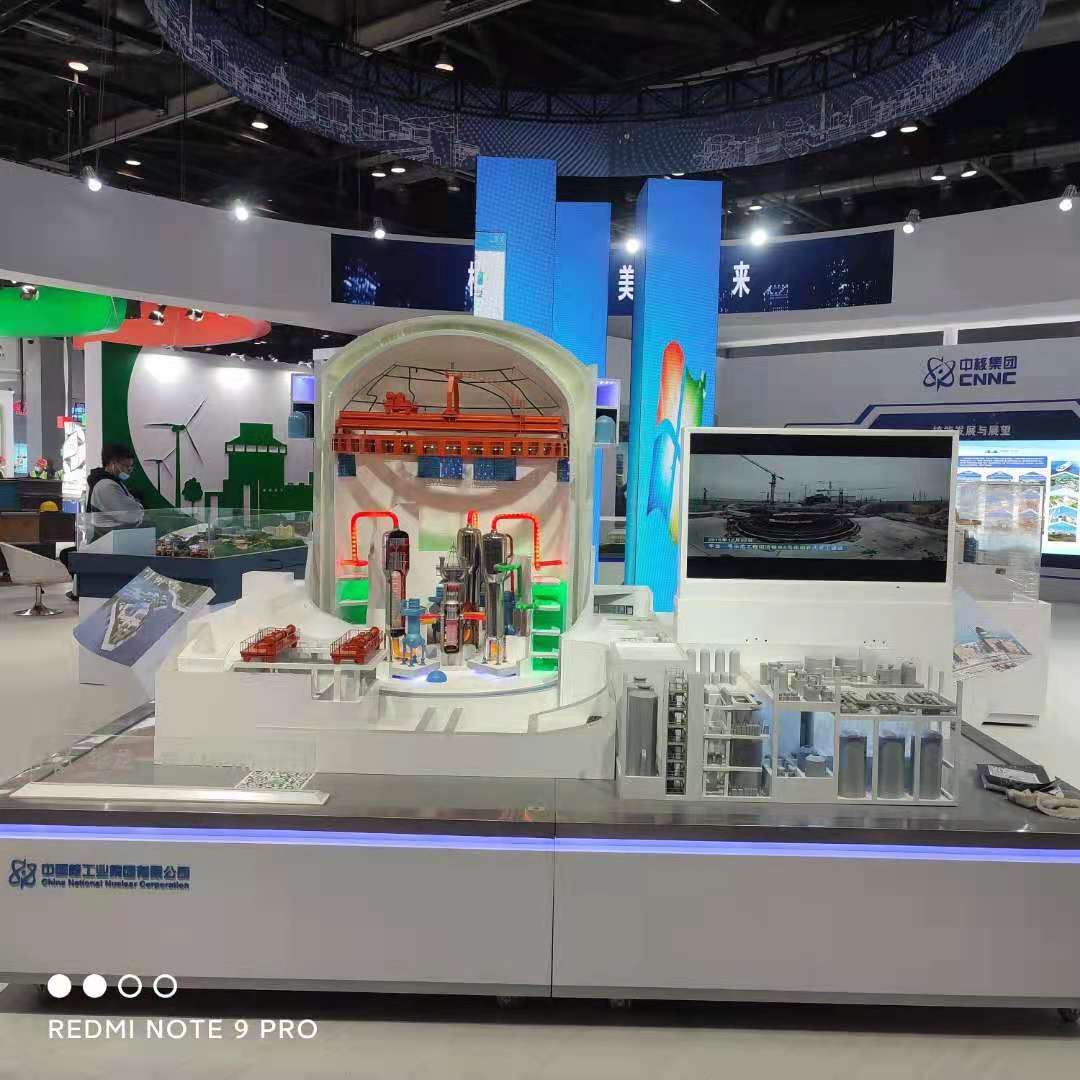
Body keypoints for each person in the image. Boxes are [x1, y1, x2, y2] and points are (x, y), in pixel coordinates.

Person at [60, 444, 145, 600]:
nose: (129, 470)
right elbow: (132, 514)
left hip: (112, 539)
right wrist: (137, 505)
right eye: (126, 466)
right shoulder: (107, 486)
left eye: (131, 467)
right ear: (113, 463)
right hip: (108, 542)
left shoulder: (111, 482)